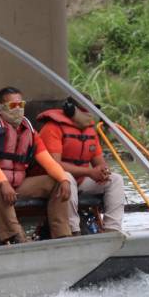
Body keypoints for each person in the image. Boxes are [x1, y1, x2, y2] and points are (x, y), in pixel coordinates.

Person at [0, 87, 72, 245]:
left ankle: (62, 236)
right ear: (0, 106)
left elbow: (48, 161)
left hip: (15, 183)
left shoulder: (28, 130)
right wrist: (3, 182)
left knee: (57, 182)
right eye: (13, 106)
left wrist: (64, 179)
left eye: (21, 105)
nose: (18, 109)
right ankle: (15, 237)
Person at [36, 97, 124, 233]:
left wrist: (103, 172)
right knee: (67, 178)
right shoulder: (52, 128)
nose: (90, 113)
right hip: (54, 181)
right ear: (71, 110)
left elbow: (100, 163)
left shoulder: (90, 131)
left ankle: (112, 229)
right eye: (86, 109)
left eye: (93, 109)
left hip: (81, 181)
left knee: (116, 179)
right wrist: (89, 172)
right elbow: (55, 165)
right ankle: (74, 230)